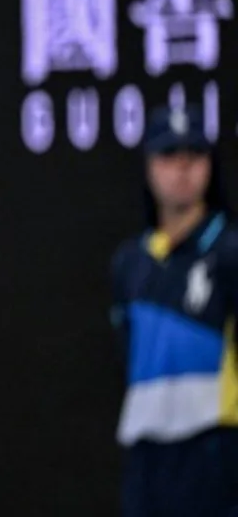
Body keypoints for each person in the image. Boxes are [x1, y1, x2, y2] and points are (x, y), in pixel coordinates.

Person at [109, 104, 238, 517]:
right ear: (149, 166)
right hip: (147, 455)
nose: (182, 168)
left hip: (217, 449)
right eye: (169, 155)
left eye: (194, 155)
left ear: (210, 166)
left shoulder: (230, 251)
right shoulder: (130, 263)